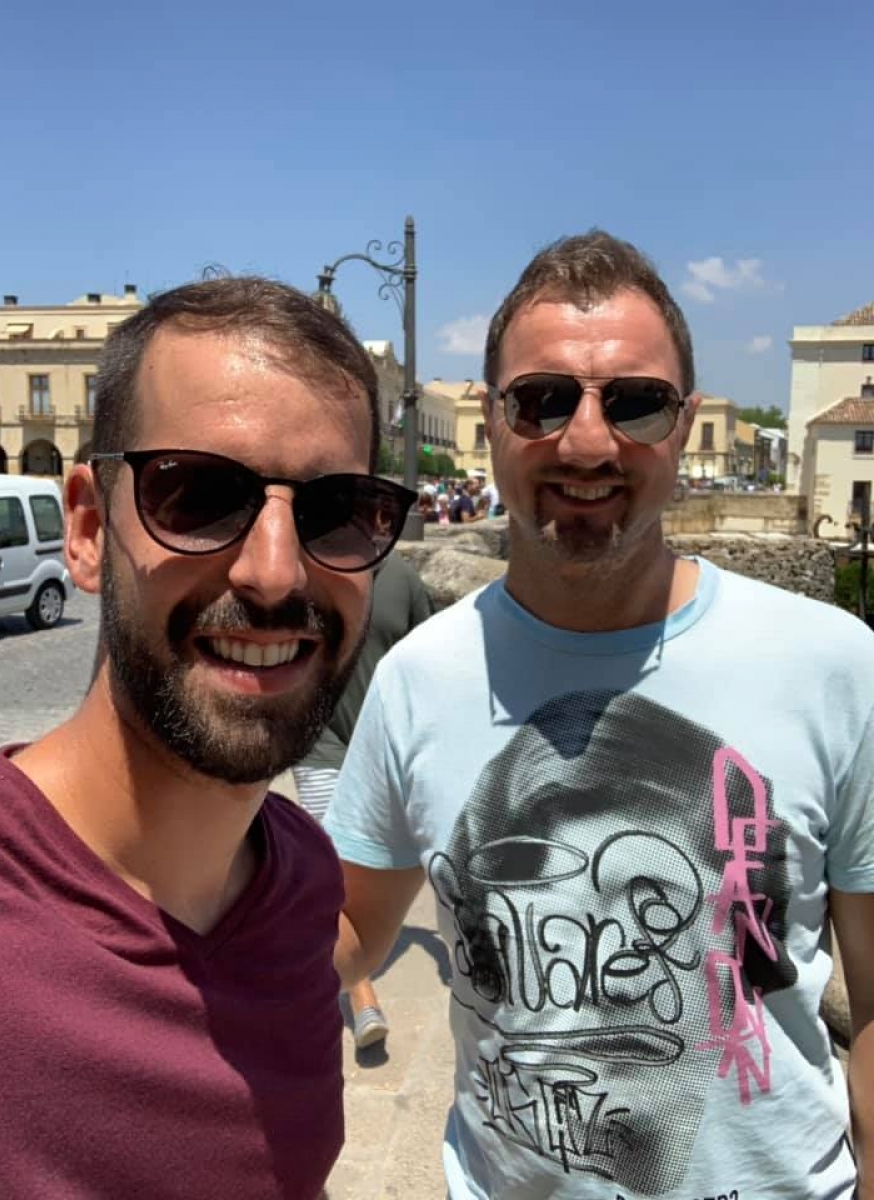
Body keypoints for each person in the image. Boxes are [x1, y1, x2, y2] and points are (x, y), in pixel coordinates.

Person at [323, 231, 874, 1199]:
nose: (586, 440)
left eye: (635, 403)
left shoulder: (836, 667)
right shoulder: (418, 682)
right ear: (490, 424)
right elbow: (341, 936)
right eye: (541, 400)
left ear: (685, 423)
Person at [0, 276, 415, 1199]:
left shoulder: (299, 879)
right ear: (89, 528)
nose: (275, 573)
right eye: (200, 494)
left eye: (338, 510)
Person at [294, 552, 434, 1048]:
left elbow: (434, 653)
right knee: (331, 872)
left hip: (391, 744)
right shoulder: (304, 567)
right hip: (321, 745)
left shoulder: (402, 576)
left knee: (422, 853)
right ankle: (360, 992)